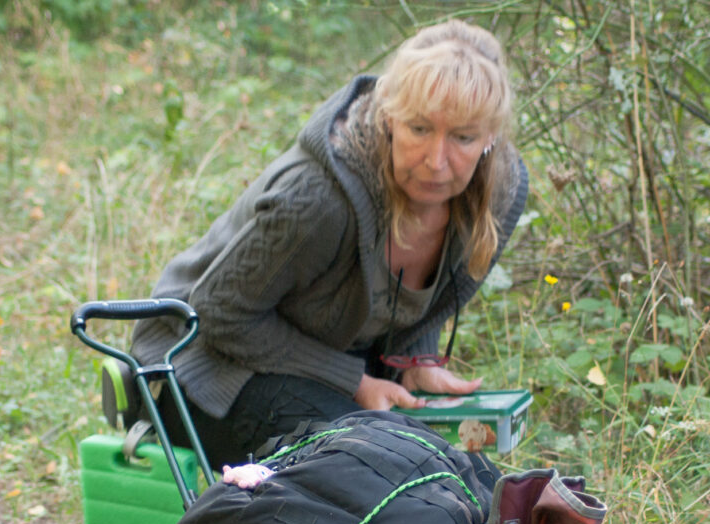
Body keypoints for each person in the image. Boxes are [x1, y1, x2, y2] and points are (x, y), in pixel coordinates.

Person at [132, 19, 528, 468]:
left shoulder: (502, 192)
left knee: (457, 467)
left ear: (490, 136)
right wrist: (353, 381)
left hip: (319, 362)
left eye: (462, 137)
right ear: (389, 117)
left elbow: (416, 302)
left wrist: (415, 359)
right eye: (419, 129)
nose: (437, 161)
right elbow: (219, 313)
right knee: (384, 462)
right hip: (200, 367)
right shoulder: (318, 197)